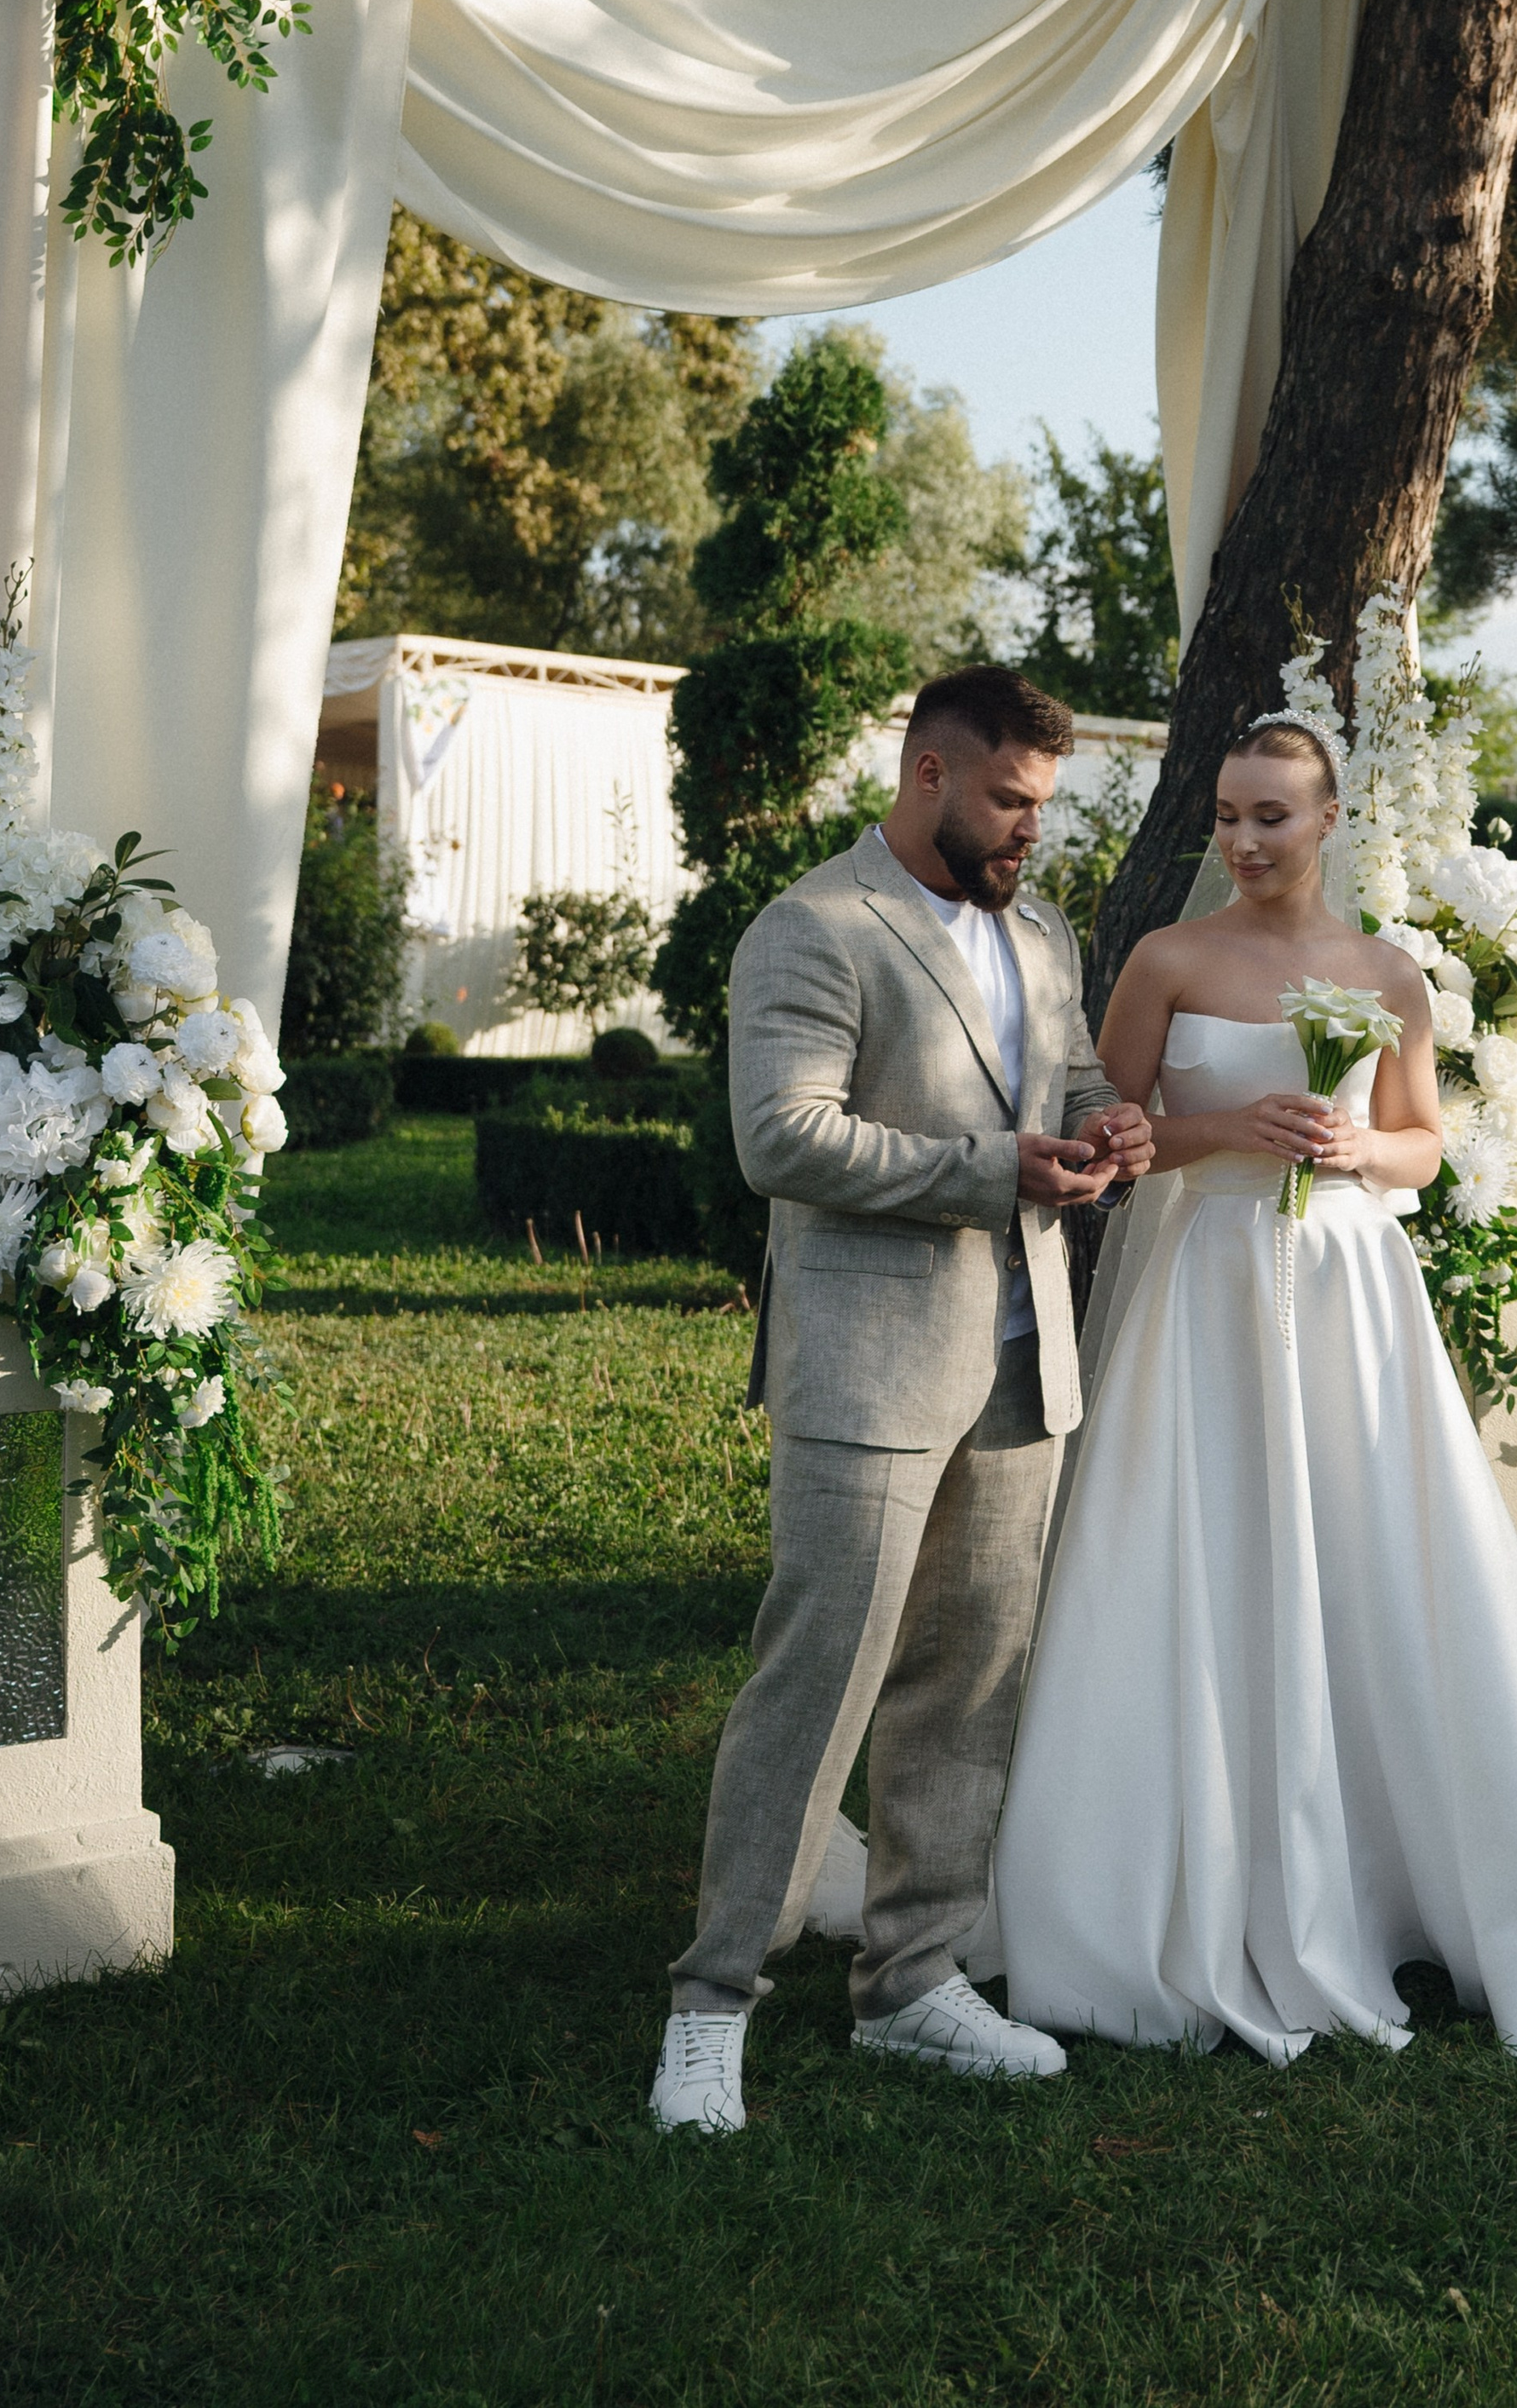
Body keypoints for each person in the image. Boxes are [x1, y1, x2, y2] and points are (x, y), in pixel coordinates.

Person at [989, 711, 1517, 2064]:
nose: (1247, 838)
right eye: (1229, 813)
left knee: (1380, 1557)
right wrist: (1226, 1130)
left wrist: (1359, 1148)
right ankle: (1160, 1892)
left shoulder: (1388, 974)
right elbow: (1115, 1129)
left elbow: (1429, 1148)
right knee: (1201, 1556)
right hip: (1208, 1285)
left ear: (1329, 823)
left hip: (1349, 1293)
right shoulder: (1165, 958)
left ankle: (1406, 1873)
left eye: (1274, 815)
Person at [650, 665, 1155, 2134]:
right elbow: (781, 1138)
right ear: (928, 773)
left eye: (1043, 806)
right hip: (868, 1374)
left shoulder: (1043, 931)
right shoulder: (814, 928)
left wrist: (1102, 1129)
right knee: (815, 1688)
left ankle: (913, 1984)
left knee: (969, 1688)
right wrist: (986, 1171)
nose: (1028, 832)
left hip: (1024, 1357)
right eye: (1009, 799)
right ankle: (710, 2010)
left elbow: (1061, 1085)